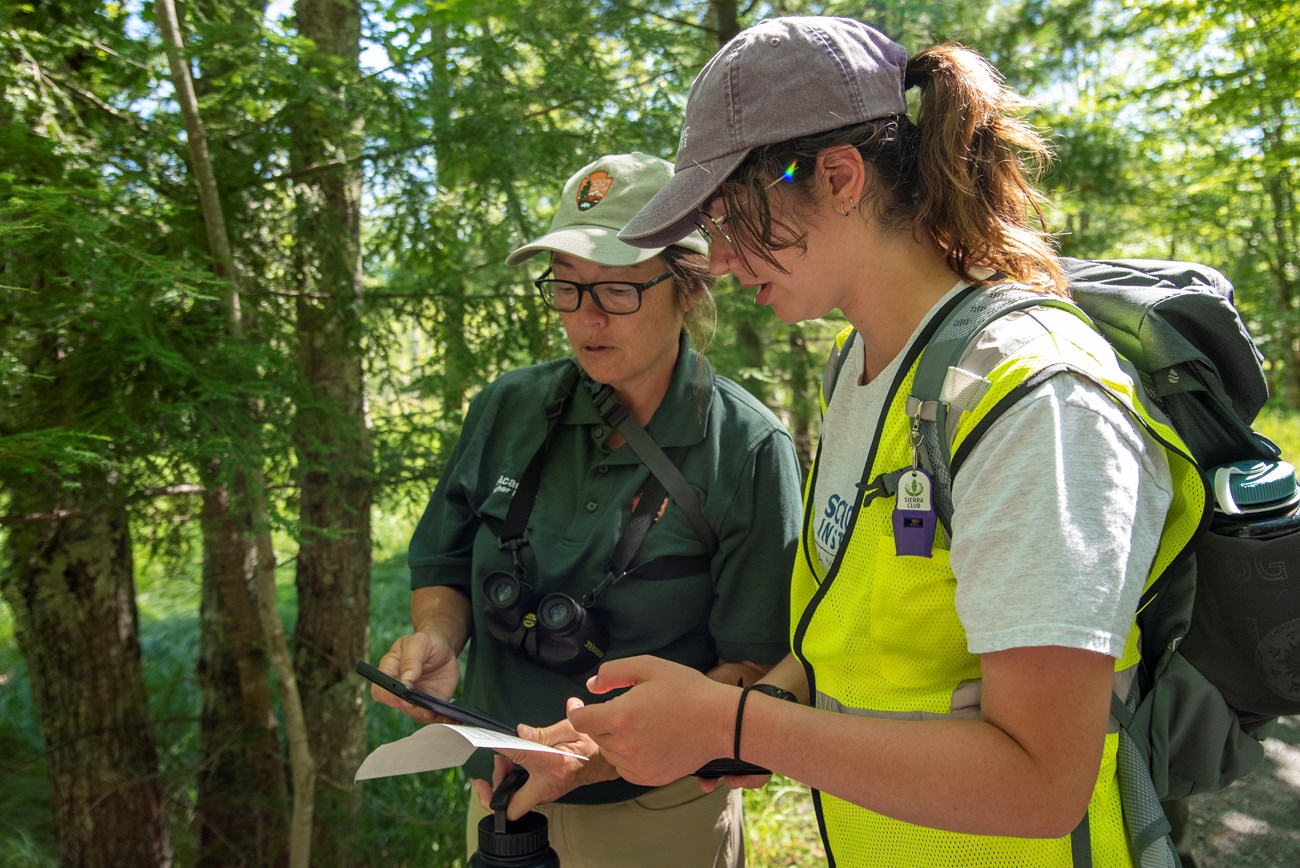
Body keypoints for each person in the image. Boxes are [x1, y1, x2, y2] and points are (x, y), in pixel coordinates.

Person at [566, 17, 1206, 867]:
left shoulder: (1035, 398)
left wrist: (735, 722)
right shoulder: (861, 370)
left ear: (837, 177)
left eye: (725, 217)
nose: (715, 261)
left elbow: (1042, 781)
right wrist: (721, 723)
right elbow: (855, 641)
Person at [369, 151, 803, 868]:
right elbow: (444, 561)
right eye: (566, 290)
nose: (586, 320)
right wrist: (439, 636)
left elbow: (754, 668)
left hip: (657, 816)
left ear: (688, 286)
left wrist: (601, 755)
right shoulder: (510, 407)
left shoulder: (745, 448)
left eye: (617, 292)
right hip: (499, 806)